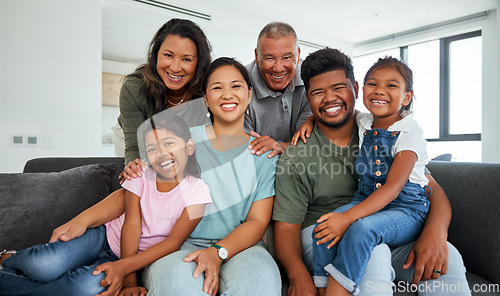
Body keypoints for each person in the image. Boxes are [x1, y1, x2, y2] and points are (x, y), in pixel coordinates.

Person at [46, 57, 281, 296]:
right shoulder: (180, 141)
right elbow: (135, 193)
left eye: (236, 86)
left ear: (249, 94)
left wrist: (218, 252)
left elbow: (257, 222)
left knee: (259, 288)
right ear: (206, 99)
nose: (227, 94)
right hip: (176, 245)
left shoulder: (264, 153)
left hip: (243, 248)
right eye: (217, 87)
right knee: (178, 288)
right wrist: (82, 220)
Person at [273, 48, 470, 296]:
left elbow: (430, 189)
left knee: (448, 256)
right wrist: (297, 274)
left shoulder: (383, 129)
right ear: (308, 98)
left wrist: (436, 232)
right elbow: (286, 228)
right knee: (371, 250)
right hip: (324, 233)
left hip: (385, 222)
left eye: (338, 88)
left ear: (355, 88)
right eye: (317, 93)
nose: (329, 99)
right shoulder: (297, 155)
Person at [0, 115, 212, 296]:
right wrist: (129, 280)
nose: (161, 153)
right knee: (43, 266)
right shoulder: (141, 174)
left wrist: (125, 269)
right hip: (103, 237)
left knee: (84, 287)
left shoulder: (198, 191)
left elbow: (173, 243)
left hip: (129, 259)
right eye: (152, 148)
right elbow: (132, 226)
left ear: (190, 146)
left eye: (168, 143)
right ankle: (8, 257)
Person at [311, 57, 431, 295]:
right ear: (361, 89)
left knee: (362, 230)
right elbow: (334, 112)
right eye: (372, 84)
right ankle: (323, 288)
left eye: (391, 86)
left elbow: (393, 188)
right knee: (323, 226)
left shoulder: (410, 132)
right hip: (367, 201)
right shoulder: (364, 121)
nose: (380, 91)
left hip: (405, 209)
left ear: (407, 97)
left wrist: (348, 218)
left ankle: (339, 290)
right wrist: (308, 120)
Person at [117, 18, 212, 166]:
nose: (175, 68)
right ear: (156, 55)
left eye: (186, 59)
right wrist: (135, 170)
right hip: (138, 139)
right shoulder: (134, 89)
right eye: (168, 55)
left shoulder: (209, 89)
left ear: (199, 63)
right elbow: (135, 149)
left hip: (184, 144)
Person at [245, 21, 312, 158]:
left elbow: (308, 144)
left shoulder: (312, 79)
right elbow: (246, 148)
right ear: (257, 56)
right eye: (270, 58)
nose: (278, 68)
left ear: (298, 54)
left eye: (287, 57)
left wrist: (280, 146)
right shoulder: (240, 84)